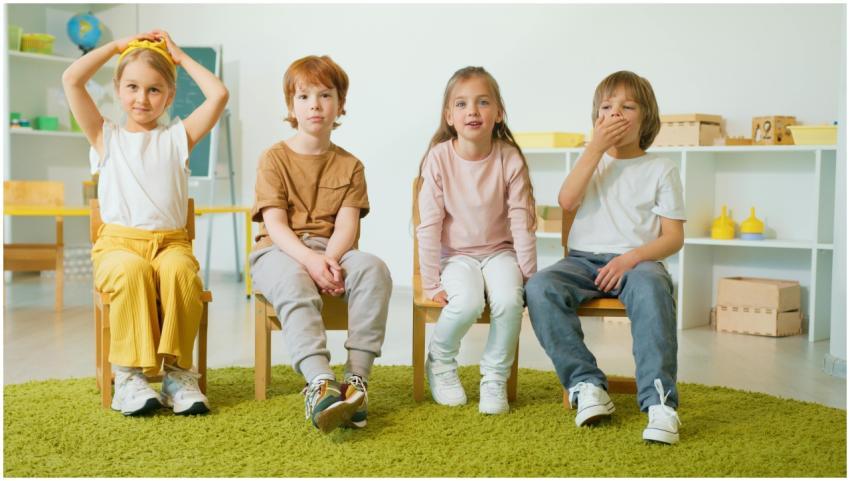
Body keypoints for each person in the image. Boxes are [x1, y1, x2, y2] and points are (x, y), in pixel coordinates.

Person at [62, 30, 229, 415]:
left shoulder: (178, 138)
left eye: (154, 90)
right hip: (118, 246)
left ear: (169, 96)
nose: (142, 98)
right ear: (118, 89)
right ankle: (129, 376)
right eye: (132, 87)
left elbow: (218, 95)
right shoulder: (105, 135)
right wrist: (118, 47)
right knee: (131, 271)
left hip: (171, 243)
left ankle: (178, 374)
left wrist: (180, 56)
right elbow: (72, 78)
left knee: (183, 274)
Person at [525, 71, 686, 444]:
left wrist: (629, 260)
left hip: (638, 262)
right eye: (606, 107)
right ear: (596, 118)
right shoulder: (591, 159)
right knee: (540, 287)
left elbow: (673, 237)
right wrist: (594, 149)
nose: (616, 114)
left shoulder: (661, 168)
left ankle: (660, 404)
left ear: (646, 117)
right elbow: (566, 201)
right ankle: (585, 385)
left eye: (628, 107)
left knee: (652, 288)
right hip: (582, 261)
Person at [250, 55, 392, 433]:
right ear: (291, 107)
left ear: (340, 104)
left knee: (374, 268)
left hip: (332, 251)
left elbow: (346, 225)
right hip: (279, 252)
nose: (315, 104)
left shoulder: (351, 166)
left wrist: (327, 258)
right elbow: (275, 224)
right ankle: (319, 383)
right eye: (304, 96)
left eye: (325, 95)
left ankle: (355, 383)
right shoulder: (273, 158)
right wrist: (311, 261)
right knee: (294, 280)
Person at [417, 66, 537, 415]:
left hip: (500, 253)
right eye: (462, 104)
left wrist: (529, 275)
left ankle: (494, 377)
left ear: (498, 113)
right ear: (449, 116)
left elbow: (521, 220)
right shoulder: (439, 159)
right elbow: (429, 224)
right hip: (456, 257)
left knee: (508, 301)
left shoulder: (508, 157)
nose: (472, 111)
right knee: (467, 302)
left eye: (483, 102)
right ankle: (440, 360)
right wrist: (431, 282)